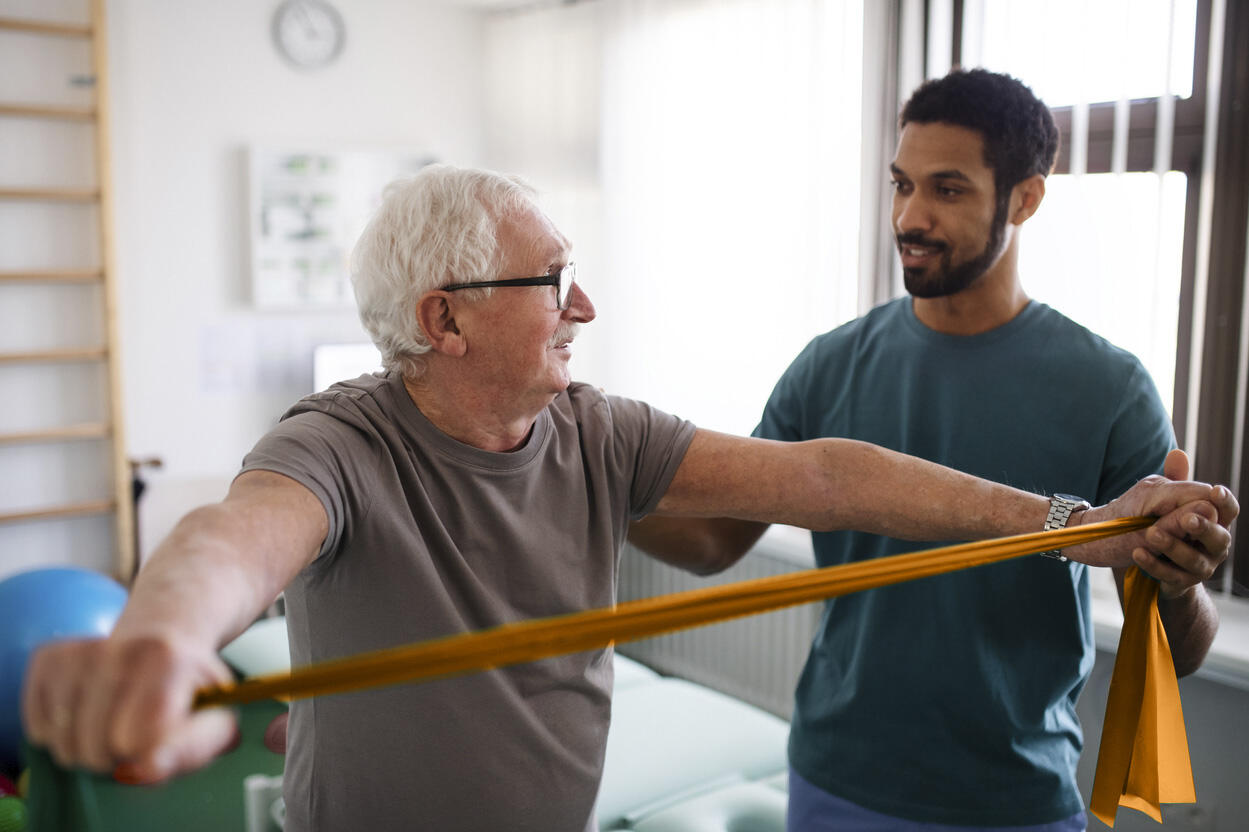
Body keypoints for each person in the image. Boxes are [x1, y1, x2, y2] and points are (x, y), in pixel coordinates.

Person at [22, 164, 1234, 832]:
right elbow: (236, 538)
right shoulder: (341, 442)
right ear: (443, 319)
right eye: (554, 281)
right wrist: (163, 635)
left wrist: (1070, 527)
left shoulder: (591, 427)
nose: (584, 308)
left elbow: (819, 473)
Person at [629, 69, 1232, 831]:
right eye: (900, 184)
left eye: (946, 190)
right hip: (836, 780)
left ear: (1024, 198)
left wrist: (1179, 580)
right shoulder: (830, 363)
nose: (908, 216)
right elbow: (714, 541)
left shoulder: (1109, 387)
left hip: (1013, 800)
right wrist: (594, 481)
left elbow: (1178, 654)